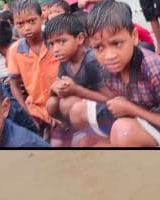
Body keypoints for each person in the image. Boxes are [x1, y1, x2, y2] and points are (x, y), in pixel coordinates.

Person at [85, 0, 160, 147]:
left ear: (134, 37)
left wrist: (130, 108)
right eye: (99, 47)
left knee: (122, 131)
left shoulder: (154, 70)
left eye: (117, 43)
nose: (109, 55)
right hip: (144, 121)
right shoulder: (106, 68)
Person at [43, 13, 111, 142]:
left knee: (67, 103)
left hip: (104, 109)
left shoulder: (91, 62)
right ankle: (74, 128)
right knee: (51, 104)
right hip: (81, 106)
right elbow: (57, 90)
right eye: (51, 44)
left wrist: (77, 90)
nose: (56, 49)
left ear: (80, 38)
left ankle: (94, 135)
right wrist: (53, 89)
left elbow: (109, 99)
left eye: (62, 41)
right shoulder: (65, 61)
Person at [6, 0, 60, 133]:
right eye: (20, 24)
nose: (27, 27)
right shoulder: (14, 50)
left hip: (61, 103)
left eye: (31, 21)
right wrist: (25, 112)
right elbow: (14, 84)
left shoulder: (56, 42)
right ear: (14, 25)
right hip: (36, 109)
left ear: (41, 18)